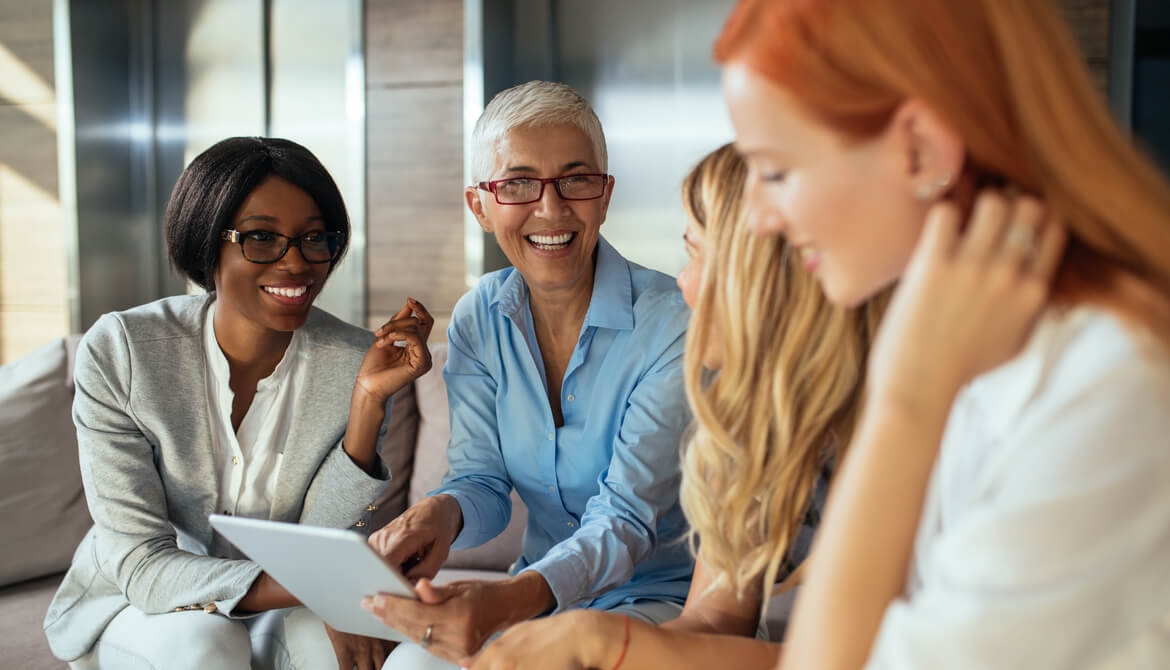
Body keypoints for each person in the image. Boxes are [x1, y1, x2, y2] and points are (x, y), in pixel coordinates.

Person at [713, 0, 1170, 668]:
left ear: (921, 148)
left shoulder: (1111, 389)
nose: (756, 217)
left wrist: (906, 399)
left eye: (775, 171)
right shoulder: (983, 343)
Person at [470, 144, 887, 669]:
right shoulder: (749, 429)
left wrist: (604, 642)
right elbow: (716, 622)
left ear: (764, 273)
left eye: (695, 253)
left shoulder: (899, 426)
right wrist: (597, 640)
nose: (682, 283)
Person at [43, 136, 434, 670]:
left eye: (313, 238)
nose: (296, 263)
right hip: (141, 605)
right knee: (205, 646)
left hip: (280, 601)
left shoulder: (353, 360)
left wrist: (367, 403)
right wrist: (327, 593)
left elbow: (322, 539)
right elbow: (141, 564)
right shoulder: (124, 351)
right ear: (208, 243)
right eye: (262, 238)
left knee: (344, 657)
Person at [360, 81, 695, 669]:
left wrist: (510, 600)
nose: (551, 208)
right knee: (412, 664)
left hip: (658, 604)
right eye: (517, 184)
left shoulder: (671, 324)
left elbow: (626, 520)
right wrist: (439, 513)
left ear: (605, 194)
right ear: (480, 206)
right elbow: (481, 480)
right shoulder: (478, 317)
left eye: (576, 179)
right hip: (535, 600)